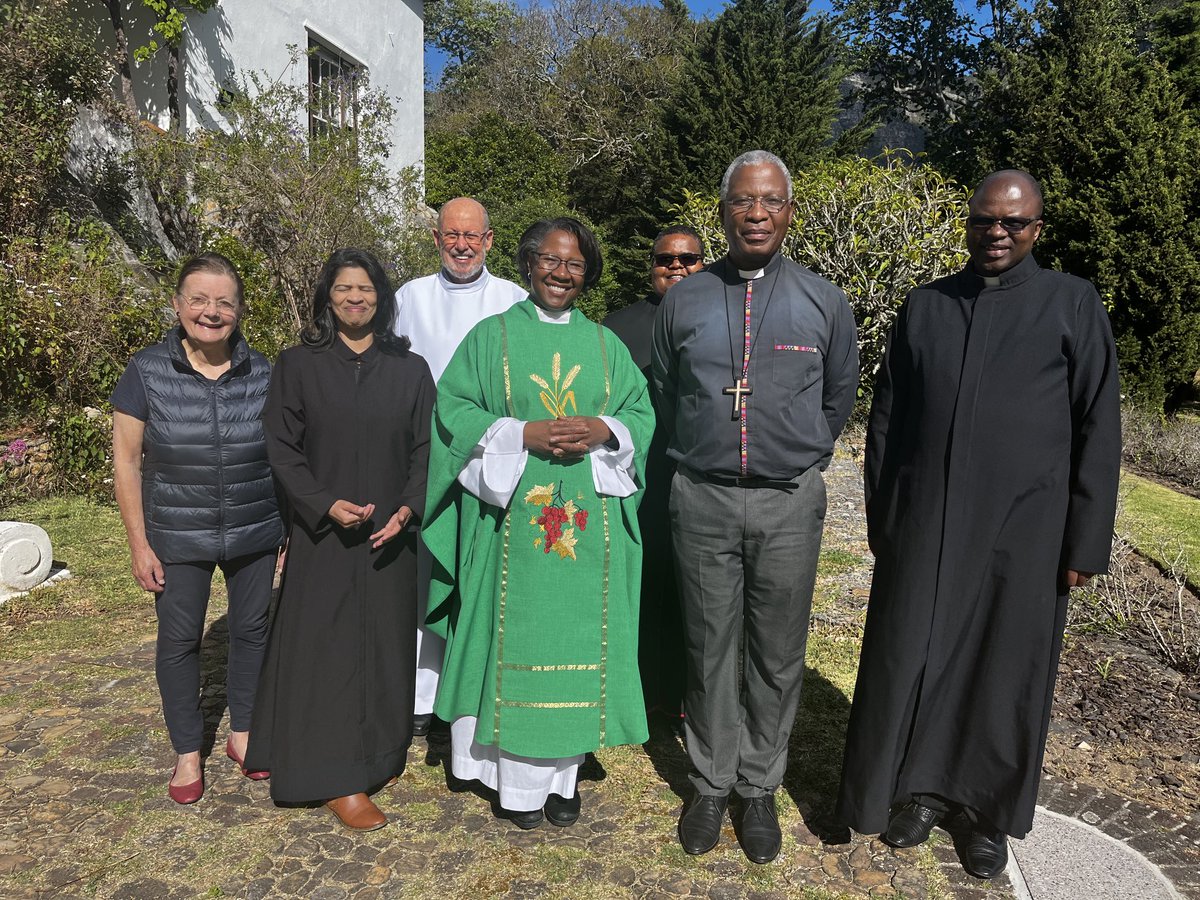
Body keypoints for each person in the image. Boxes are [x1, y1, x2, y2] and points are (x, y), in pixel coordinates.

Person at [835, 170, 1121, 879]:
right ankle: (917, 792)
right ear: (968, 223)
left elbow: (1099, 426)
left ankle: (984, 812)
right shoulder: (927, 305)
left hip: (1024, 530)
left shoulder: (1071, 304)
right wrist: (886, 517)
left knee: (1001, 671)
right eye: (984, 220)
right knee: (913, 657)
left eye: (1014, 223)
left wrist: (1085, 541)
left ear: (1037, 230)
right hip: (927, 521)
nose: (997, 233)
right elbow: (888, 420)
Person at [652, 150, 859, 864]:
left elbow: (838, 398)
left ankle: (760, 785)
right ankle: (711, 783)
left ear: (790, 212)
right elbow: (665, 388)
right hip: (702, 496)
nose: (757, 213)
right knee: (709, 650)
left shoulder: (824, 301)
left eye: (772, 201)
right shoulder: (684, 298)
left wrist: (795, 454)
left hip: (786, 504)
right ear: (723, 212)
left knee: (776, 654)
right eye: (744, 201)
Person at [423, 217, 655, 830]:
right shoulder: (490, 337)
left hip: (585, 529)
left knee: (577, 640)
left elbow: (642, 412)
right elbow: (452, 411)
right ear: (527, 264)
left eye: (574, 263)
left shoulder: (607, 346)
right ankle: (511, 784)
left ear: (588, 273)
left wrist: (607, 430)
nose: (561, 272)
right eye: (550, 260)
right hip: (512, 529)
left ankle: (563, 780)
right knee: (512, 635)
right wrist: (521, 433)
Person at [245, 248, 434, 831]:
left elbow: (428, 449)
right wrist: (324, 504)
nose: (356, 298)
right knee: (328, 652)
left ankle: (378, 752)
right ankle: (336, 776)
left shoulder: (410, 369)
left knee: (383, 646)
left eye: (366, 289)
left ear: (382, 297)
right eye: (344, 289)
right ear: (327, 297)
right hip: (324, 536)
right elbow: (281, 448)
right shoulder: (299, 364)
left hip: (389, 537)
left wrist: (408, 507)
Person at [111, 252, 284, 804]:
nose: (211, 312)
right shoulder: (146, 371)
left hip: (256, 524)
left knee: (252, 631)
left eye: (224, 302)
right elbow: (126, 461)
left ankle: (242, 734)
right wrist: (139, 544)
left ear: (239, 310)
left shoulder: (265, 372)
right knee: (180, 640)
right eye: (199, 300)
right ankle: (188, 751)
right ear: (178, 305)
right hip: (176, 534)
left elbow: (286, 454)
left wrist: (288, 529)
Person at [394, 197, 526, 737]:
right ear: (436, 239)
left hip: (493, 457)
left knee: (483, 573)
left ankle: (475, 687)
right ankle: (424, 695)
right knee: (427, 573)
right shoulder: (410, 297)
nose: (462, 245)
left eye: (473, 236)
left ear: (490, 241)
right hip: (428, 456)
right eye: (452, 235)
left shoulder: (512, 299)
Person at [604, 226, 706, 728]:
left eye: (689, 259)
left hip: (700, 475)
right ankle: (639, 687)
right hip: (637, 475)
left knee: (695, 586)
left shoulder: (722, 316)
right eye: (665, 258)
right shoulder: (618, 328)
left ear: (703, 264)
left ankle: (688, 691)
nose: (677, 267)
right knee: (640, 582)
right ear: (651, 264)